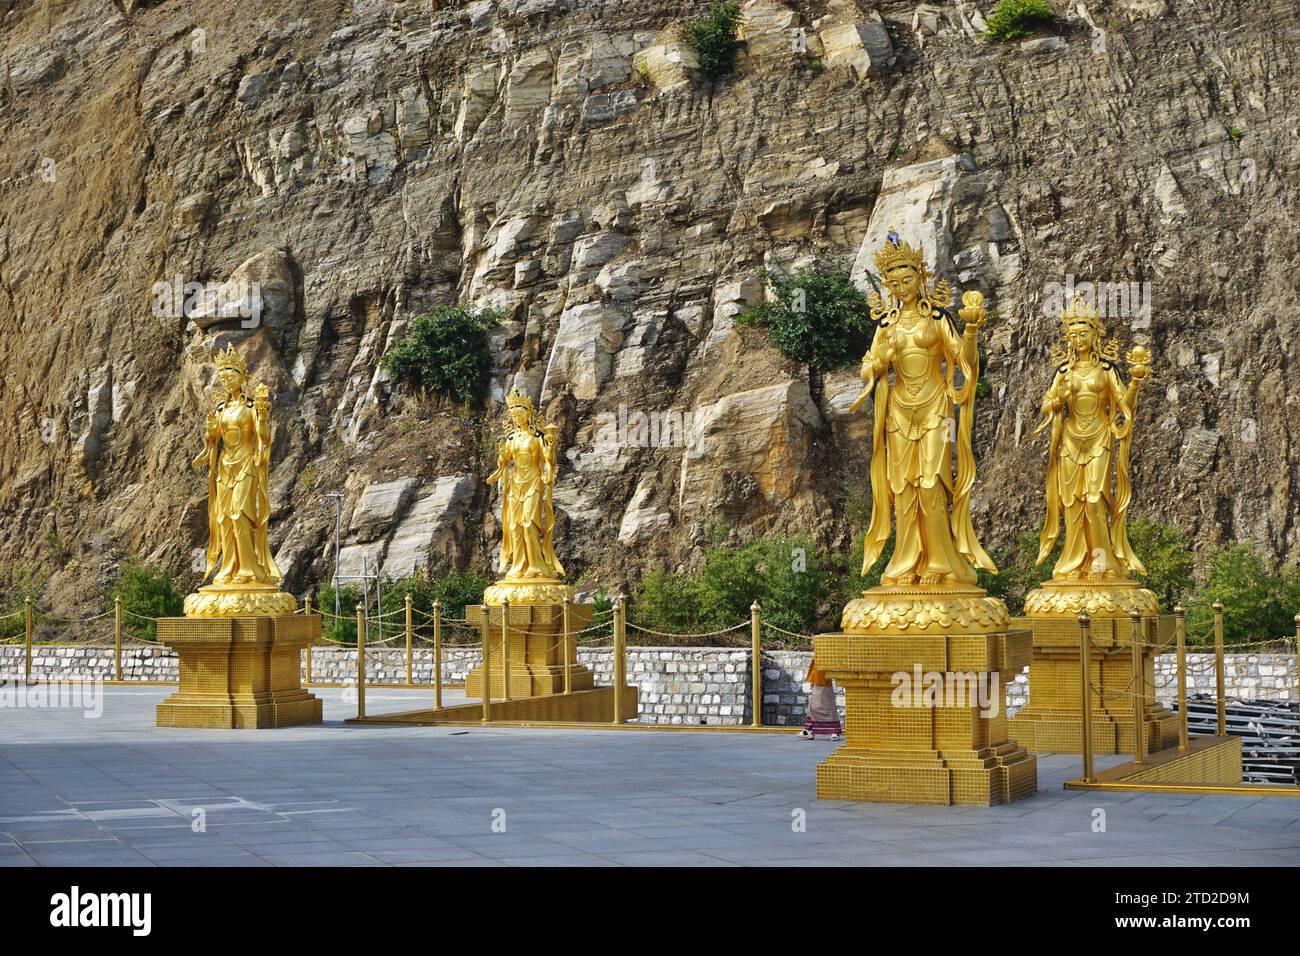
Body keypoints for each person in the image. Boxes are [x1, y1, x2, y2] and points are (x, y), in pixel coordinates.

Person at [798, 654, 841, 740]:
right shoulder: (818, 655)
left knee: (826, 707)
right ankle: (809, 731)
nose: (812, 643)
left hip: (824, 684)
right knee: (815, 708)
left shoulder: (825, 654)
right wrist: (812, 683)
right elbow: (814, 671)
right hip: (819, 684)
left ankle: (834, 731)